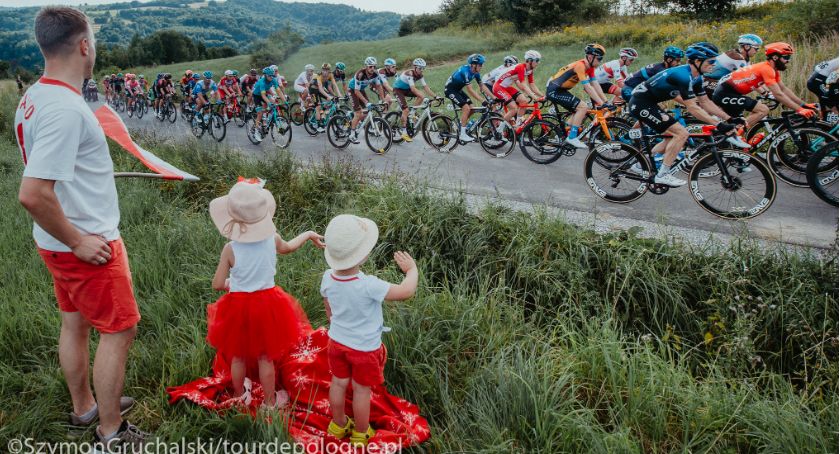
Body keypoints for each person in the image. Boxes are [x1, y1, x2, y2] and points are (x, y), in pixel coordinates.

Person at [15, 6, 147, 450]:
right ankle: (111, 432)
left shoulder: (35, 95)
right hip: (85, 241)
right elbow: (32, 193)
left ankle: (84, 407)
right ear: (85, 46)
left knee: (75, 324)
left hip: (55, 242)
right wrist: (79, 241)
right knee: (119, 330)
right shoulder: (66, 110)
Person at [207, 180, 324, 411]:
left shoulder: (230, 249)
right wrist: (309, 233)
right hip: (268, 304)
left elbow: (218, 284)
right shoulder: (272, 239)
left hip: (238, 306)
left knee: (238, 356)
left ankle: (241, 396)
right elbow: (289, 247)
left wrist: (235, 283)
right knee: (265, 357)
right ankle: (270, 403)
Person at [321, 214, 418, 447]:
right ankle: (361, 433)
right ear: (362, 256)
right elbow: (405, 292)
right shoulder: (369, 285)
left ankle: (338, 424)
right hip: (364, 349)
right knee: (361, 391)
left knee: (338, 383)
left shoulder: (327, 278)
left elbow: (329, 312)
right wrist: (412, 270)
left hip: (336, 342)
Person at [628, 42, 740, 187]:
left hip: (650, 103)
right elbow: (692, 108)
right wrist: (718, 124)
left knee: (670, 138)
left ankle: (639, 164)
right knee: (681, 133)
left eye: (715, 61)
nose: (713, 64)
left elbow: (705, 102)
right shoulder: (683, 76)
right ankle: (662, 175)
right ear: (697, 61)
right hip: (640, 103)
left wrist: (729, 118)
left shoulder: (697, 77)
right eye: (711, 61)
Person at [713, 42, 818, 129]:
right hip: (724, 93)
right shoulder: (766, 69)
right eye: (786, 57)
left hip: (730, 92)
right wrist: (799, 110)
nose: (788, 61)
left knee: (737, 121)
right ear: (775, 57)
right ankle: (734, 134)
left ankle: (728, 141)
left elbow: (783, 89)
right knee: (763, 110)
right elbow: (778, 94)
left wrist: (803, 105)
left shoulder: (772, 70)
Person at [545, 44, 607, 148]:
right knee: (582, 107)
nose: (600, 61)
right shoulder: (580, 65)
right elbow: (587, 87)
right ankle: (572, 137)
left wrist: (605, 101)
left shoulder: (590, 68)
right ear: (590, 57)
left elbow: (595, 84)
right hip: (554, 90)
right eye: (599, 58)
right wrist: (601, 103)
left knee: (578, 109)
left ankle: (565, 134)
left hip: (561, 90)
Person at [445, 53, 494, 143]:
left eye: (482, 64)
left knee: (472, 109)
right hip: (450, 90)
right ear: (473, 65)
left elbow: (482, 86)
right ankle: (462, 135)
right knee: (466, 108)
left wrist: (493, 97)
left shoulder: (476, 73)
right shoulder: (465, 71)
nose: (481, 66)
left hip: (458, 90)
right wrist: (482, 101)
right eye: (480, 64)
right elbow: (470, 90)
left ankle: (461, 125)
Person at [392, 58, 437, 142]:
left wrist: (435, 96)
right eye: (420, 68)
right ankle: (404, 132)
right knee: (405, 110)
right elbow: (413, 89)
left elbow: (425, 87)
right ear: (415, 67)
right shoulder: (409, 73)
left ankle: (412, 113)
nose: (421, 70)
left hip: (406, 89)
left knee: (421, 96)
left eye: (423, 68)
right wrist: (421, 94)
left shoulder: (420, 75)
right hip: (398, 90)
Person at [348, 57, 388, 144]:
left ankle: (356, 120)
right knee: (358, 113)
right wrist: (366, 102)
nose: (372, 68)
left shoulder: (375, 74)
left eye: (374, 66)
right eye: (370, 66)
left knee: (367, 109)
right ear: (366, 66)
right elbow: (356, 91)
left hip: (361, 90)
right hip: (352, 90)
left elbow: (379, 87)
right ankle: (352, 134)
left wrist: (383, 100)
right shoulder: (360, 74)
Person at [309, 63, 341, 132]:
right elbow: (321, 89)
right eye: (324, 70)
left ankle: (323, 113)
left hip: (320, 90)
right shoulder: (319, 76)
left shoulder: (330, 75)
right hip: (313, 90)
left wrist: (339, 95)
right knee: (317, 107)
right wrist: (329, 96)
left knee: (331, 100)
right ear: (322, 70)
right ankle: (318, 125)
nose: (325, 71)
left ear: (329, 70)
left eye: (327, 70)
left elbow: (334, 85)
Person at [251, 67, 280, 142]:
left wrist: (285, 100)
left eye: (272, 75)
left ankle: (264, 121)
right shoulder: (262, 82)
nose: (271, 77)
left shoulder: (273, 79)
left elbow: (278, 91)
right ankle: (256, 132)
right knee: (260, 113)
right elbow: (263, 96)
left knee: (273, 102)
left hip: (264, 93)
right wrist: (269, 103)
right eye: (269, 75)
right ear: (265, 75)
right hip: (256, 96)